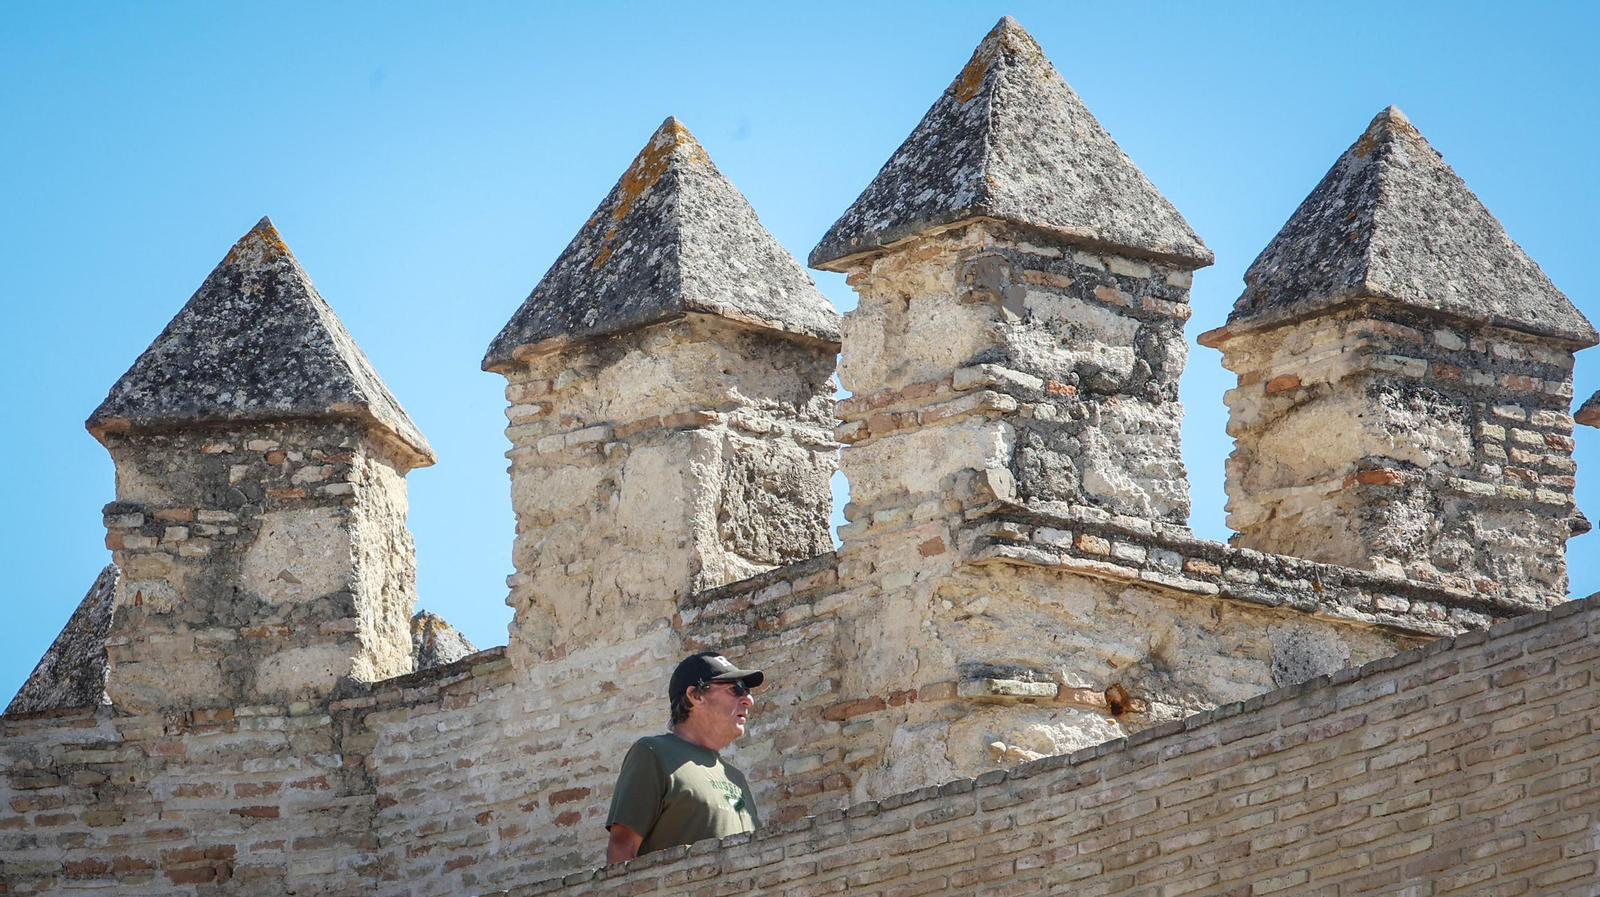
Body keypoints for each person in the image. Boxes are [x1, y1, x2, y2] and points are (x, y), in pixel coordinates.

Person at [605, 650, 764, 862]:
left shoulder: (736, 777)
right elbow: (621, 850)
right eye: (736, 689)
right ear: (696, 696)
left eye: (748, 691)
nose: (749, 700)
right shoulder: (654, 753)